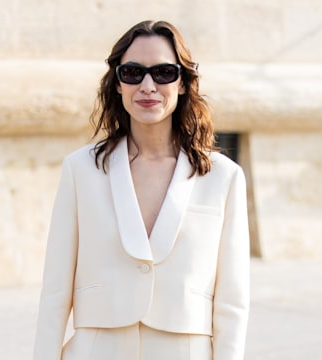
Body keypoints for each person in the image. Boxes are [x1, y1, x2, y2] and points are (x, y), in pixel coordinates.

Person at [34, 20, 250, 360]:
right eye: (133, 73)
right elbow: (55, 292)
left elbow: (232, 303)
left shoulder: (223, 177)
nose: (147, 86)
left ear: (182, 83)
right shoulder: (80, 170)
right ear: (118, 84)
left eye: (163, 72)